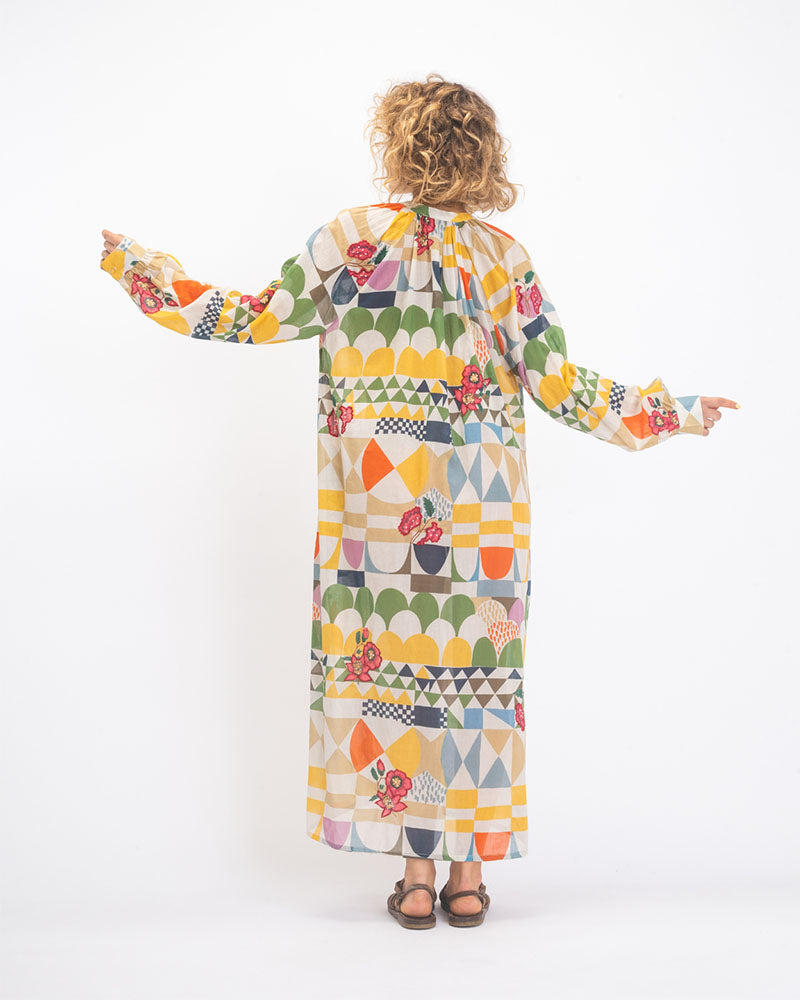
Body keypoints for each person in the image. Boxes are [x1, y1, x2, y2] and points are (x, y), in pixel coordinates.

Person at [99, 72, 739, 930]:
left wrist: (141, 271)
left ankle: (412, 879)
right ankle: (466, 881)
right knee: (473, 689)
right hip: (479, 520)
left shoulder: (349, 243)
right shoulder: (504, 261)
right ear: (485, 159)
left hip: (376, 518)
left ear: (397, 148)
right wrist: (672, 411)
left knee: (396, 691)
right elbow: (561, 387)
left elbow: (248, 317)